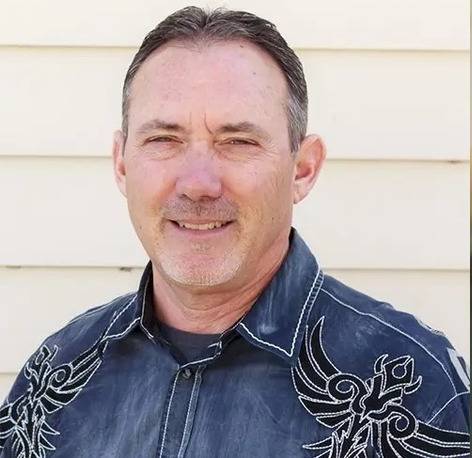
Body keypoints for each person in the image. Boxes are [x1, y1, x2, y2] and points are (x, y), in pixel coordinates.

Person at [0, 6, 469, 457]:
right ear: (122, 164)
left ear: (303, 169)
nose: (197, 184)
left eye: (238, 142)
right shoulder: (54, 379)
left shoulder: (415, 393)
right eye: (164, 139)